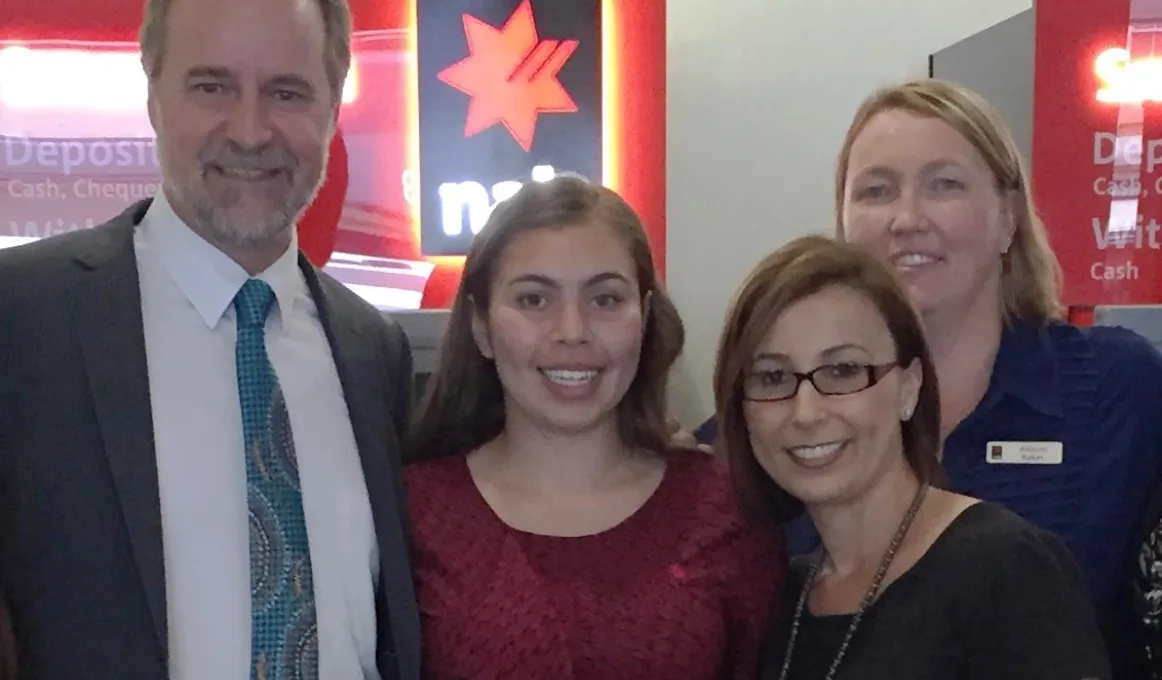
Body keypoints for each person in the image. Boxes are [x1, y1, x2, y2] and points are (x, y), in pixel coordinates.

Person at [0, 0, 419, 678]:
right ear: (153, 91)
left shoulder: (374, 352)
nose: (251, 131)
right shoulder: (23, 319)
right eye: (212, 86)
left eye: (286, 91)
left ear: (334, 105)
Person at [833, 79, 1162, 677]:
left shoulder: (1121, 387)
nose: (907, 218)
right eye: (877, 190)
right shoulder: (799, 413)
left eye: (945, 184)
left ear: (1007, 218)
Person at [404, 175, 782, 679]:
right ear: (481, 326)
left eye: (604, 299)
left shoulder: (726, 514)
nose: (572, 332)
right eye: (534, 300)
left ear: (645, 317)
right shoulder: (414, 512)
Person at [714, 234, 1111, 679]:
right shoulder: (784, 591)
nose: (806, 412)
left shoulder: (1004, 566)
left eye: (844, 371)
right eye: (772, 377)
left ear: (909, 387)